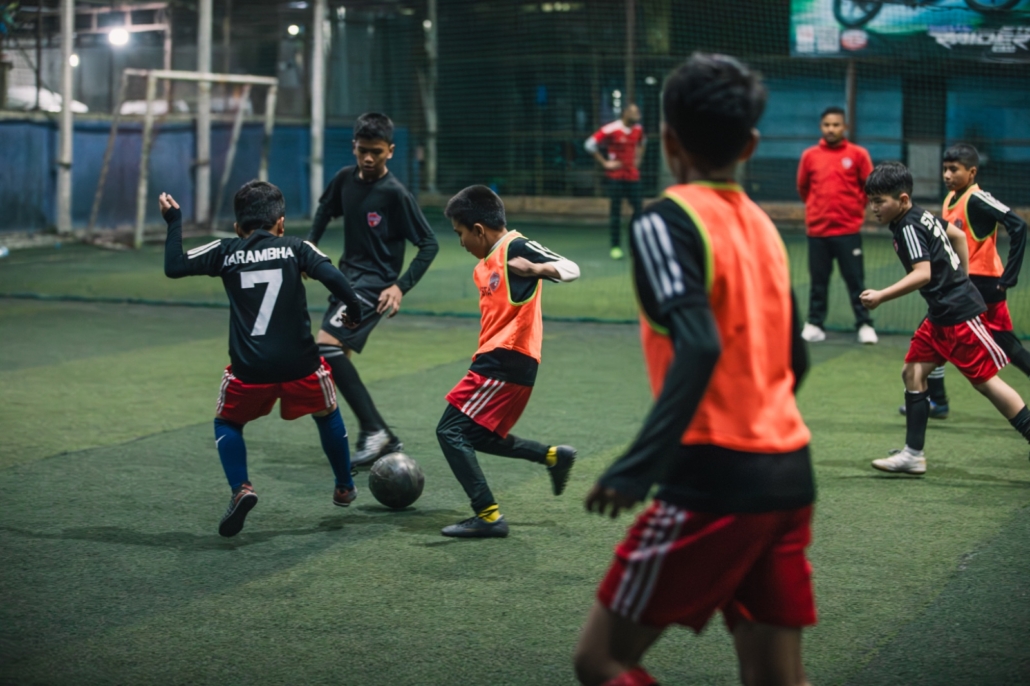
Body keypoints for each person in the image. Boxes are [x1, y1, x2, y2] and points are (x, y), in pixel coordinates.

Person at [574, 54, 816, 686]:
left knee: (600, 659)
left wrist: (637, 467)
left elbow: (700, 346)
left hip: (713, 479)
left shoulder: (664, 220)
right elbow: (796, 360)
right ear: (751, 144)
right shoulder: (765, 227)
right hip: (791, 475)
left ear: (667, 141)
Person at [161, 181, 364, 537]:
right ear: (281, 223)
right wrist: (354, 311)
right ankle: (344, 486)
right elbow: (333, 276)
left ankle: (241, 488)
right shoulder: (295, 247)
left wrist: (174, 220)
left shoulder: (226, 250)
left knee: (227, 423)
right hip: (301, 366)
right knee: (327, 411)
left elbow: (174, 266)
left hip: (249, 370)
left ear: (238, 226)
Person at [859, 162, 1030, 475]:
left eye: (880, 201)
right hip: (940, 315)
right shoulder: (920, 215)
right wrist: (963, 276)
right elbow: (958, 235)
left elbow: (922, 274)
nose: (874, 208)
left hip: (959, 316)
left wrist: (882, 295)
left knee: (987, 383)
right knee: (912, 372)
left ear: (903, 199)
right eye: (871, 201)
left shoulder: (908, 226)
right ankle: (913, 455)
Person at [436, 185, 580, 538]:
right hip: (502, 360)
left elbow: (571, 268)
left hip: (506, 358)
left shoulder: (514, 247)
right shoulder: (483, 267)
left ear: (479, 229)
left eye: (460, 233)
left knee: (450, 430)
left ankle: (488, 516)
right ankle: (552, 456)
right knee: (478, 436)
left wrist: (536, 268)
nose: (461, 242)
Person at [307, 112, 439, 466]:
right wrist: (310, 247)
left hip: (374, 287)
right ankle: (368, 438)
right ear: (354, 146)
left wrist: (400, 287)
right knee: (333, 364)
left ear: (390, 151)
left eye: (376, 152)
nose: (368, 158)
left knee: (325, 347)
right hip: (346, 281)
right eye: (363, 150)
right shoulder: (343, 179)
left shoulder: (395, 194)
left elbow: (429, 244)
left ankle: (376, 431)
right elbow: (325, 209)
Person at [898, 143, 1030, 420]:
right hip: (965, 283)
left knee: (1003, 344)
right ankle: (938, 401)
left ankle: (938, 401)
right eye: (945, 169)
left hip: (986, 284)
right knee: (939, 335)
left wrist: (1010, 276)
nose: (947, 175)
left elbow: (1018, 225)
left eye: (954, 170)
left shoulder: (977, 198)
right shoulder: (950, 198)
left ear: (972, 172)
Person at [797, 105, 877, 345]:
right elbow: (803, 188)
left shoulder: (858, 154)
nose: (831, 129)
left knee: (855, 281)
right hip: (818, 232)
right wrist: (817, 208)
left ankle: (864, 324)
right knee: (818, 282)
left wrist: (854, 209)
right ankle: (814, 324)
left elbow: (870, 186)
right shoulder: (809, 155)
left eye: (835, 125)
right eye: (827, 125)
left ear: (845, 127)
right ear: (821, 127)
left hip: (848, 231)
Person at [585, 103, 646, 260]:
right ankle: (615, 246)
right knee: (616, 212)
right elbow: (590, 144)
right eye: (634, 112)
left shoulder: (638, 129)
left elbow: (642, 143)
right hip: (616, 178)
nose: (637, 115)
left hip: (632, 176)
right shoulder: (612, 129)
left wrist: (638, 159)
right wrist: (605, 163)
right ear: (625, 113)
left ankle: (636, 245)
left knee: (638, 211)